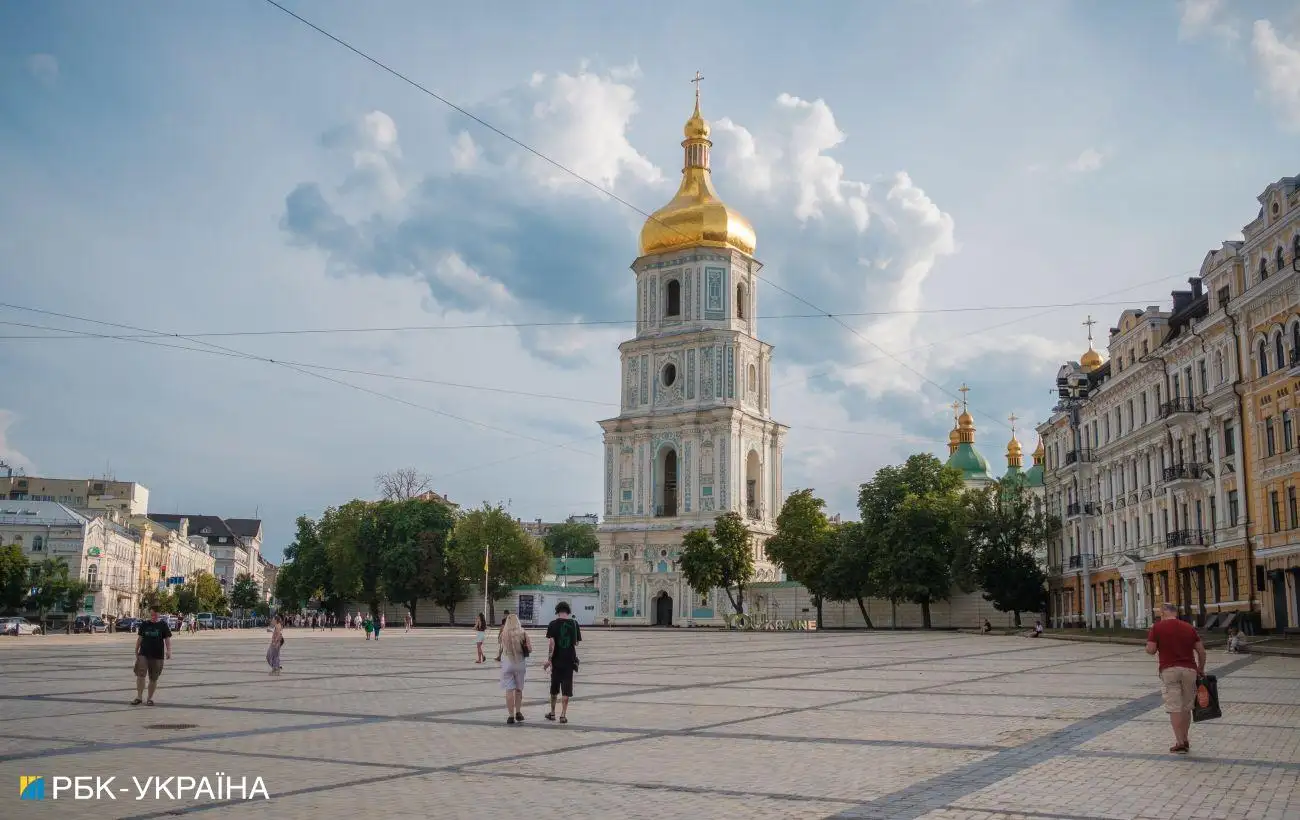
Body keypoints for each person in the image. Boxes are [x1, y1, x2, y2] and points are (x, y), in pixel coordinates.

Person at [1145, 602, 1207, 755]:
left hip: (1169, 670)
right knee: (1187, 706)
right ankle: (1185, 739)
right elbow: (1201, 651)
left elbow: (1151, 650)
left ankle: (1180, 743)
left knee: (1174, 706)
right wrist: (1201, 668)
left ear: (1163, 612)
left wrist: (1151, 646)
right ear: (1176, 613)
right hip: (1189, 670)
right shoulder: (1188, 627)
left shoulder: (1157, 628)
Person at [543, 602, 582, 724]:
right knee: (566, 689)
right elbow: (576, 643)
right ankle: (563, 715)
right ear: (568, 611)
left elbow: (551, 644)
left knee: (554, 688)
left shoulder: (552, 624)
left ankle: (552, 713)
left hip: (556, 661)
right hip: (569, 661)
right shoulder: (574, 624)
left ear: (557, 611)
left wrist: (549, 660)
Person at [131, 607, 172, 706]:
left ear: (159, 614)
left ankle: (150, 698)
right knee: (141, 675)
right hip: (144, 653)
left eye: (155, 615)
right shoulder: (144, 624)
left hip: (157, 655)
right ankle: (139, 697)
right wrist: (136, 650)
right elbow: (140, 638)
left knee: (153, 678)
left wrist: (169, 651)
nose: (153, 616)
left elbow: (167, 639)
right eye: (152, 614)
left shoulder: (163, 625)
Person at [497, 614, 532, 725]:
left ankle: (511, 716)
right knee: (518, 689)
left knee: (509, 690)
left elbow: (500, 646)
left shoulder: (503, 634)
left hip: (507, 662)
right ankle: (518, 712)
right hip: (520, 663)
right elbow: (530, 649)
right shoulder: (523, 633)